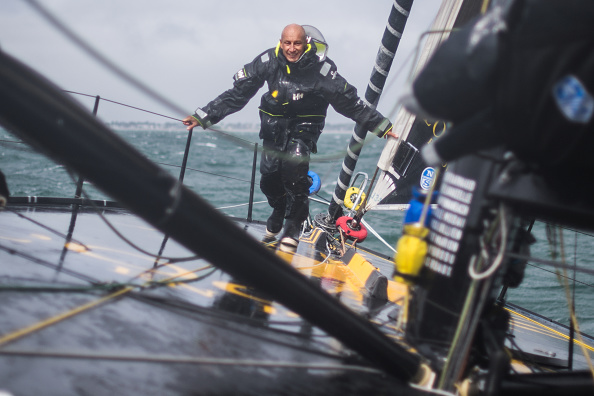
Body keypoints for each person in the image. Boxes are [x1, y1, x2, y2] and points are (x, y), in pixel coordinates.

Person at [183, 24, 394, 252]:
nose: (292, 49)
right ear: (280, 42)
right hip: (274, 127)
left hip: (305, 127)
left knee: (295, 170)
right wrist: (203, 116)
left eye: (297, 43)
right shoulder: (268, 61)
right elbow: (238, 93)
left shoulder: (322, 69)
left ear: (306, 44)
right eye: (287, 43)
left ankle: (293, 226)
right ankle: (278, 208)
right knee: (269, 178)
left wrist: (381, 125)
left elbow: (349, 102)